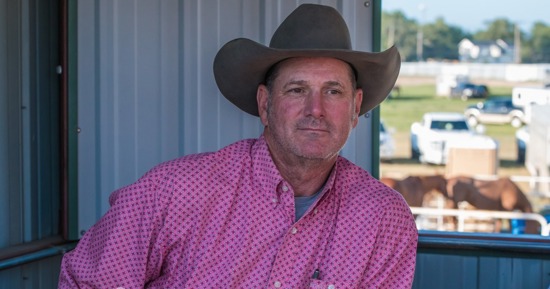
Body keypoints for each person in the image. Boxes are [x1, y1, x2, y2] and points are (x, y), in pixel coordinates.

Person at [58, 4, 417, 288]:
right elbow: (90, 283)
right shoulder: (174, 191)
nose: (316, 110)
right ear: (265, 103)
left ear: (355, 108)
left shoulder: (384, 218)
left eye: (333, 91)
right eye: (297, 90)